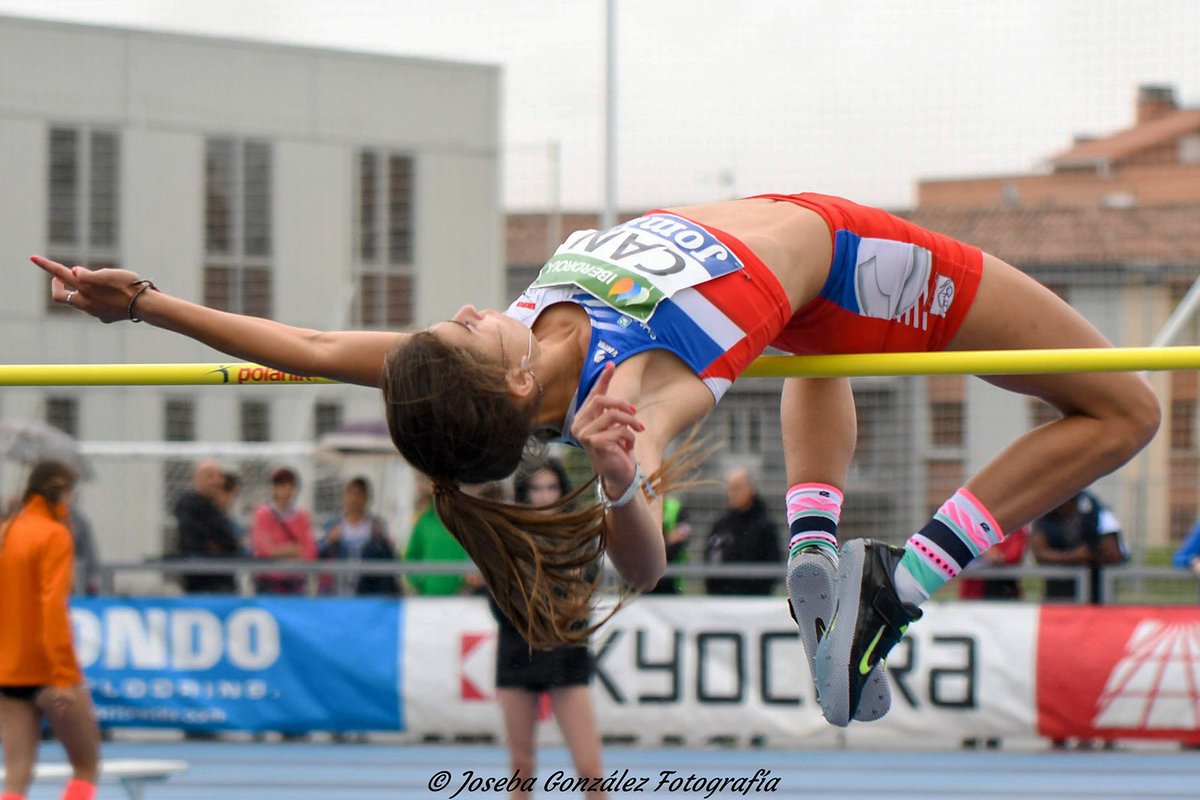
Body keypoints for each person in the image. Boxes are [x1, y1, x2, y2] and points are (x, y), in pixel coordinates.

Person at [35, 190, 1161, 726]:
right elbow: (646, 565)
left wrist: (145, 304)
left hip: (810, 294)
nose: (476, 306)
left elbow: (315, 344)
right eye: (473, 326)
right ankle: (902, 580)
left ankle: (818, 547)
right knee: (1123, 410)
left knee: (823, 356)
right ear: (513, 383)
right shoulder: (633, 393)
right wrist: (622, 479)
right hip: (856, 254)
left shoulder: (502, 358)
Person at [490, 458, 607, 800]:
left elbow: (581, 600)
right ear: (524, 495)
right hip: (518, 652)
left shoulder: (578, 537)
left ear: (563, 490)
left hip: (566, 654)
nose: (544, 496)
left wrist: (542, 603)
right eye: (536, 489)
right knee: (521, 769)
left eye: (551, 487)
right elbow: (499, 604)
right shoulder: (507, 538)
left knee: (590, 770)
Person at [0, 460, 100, 800]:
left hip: (8, 671)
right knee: (86, 765)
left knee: (16, 777)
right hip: (47, 671)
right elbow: (52, 607)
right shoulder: (55, 535)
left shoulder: (6, 530)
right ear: (60, 495)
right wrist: (63, 676)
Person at [1031, 490, 1126, 604]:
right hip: (1056, 596)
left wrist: (1093, 555)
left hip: (1094, 595)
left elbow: (1114, 555)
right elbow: (1040, 554)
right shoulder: (1044, 515)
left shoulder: (1098, 512)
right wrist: (1074, 556)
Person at [703, 468, 781, 595]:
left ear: (751, 489)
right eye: (729, 488)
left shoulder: (765, 525)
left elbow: (773, 563)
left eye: (736, 488)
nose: (731, 493)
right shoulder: (721, 524)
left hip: (755, 600)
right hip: (722, 599)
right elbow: (709, 558)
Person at [318, 476, 401, 596]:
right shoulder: (332, 525)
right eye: (350, 493)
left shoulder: (377, 526)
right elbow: (316, 554)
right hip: (337, 594)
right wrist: (329, 541)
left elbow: (391, 558)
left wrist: (383, 541)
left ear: (366, 497)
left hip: (368, 593)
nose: (354, 499)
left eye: (358, 494)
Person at [174, 458, 242, 593]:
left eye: (219, 476)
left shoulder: (216, 511)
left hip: (223, 583)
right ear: (197, 479)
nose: (216, 481)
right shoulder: (188, 504)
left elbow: (230, 542)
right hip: (200, 584)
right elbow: (193, 542)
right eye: (210, 476)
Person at [250, 466, 317, 595]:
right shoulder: (262, 514)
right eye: (278, 483)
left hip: (295, 582)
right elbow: (265, 550)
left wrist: (279, 551)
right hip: (268, 582)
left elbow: (310, 552)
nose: (283, 488)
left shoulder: (302, 516)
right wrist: (293, 549)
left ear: (294, 487)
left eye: (287, 483)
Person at [405, 476, 473, 596]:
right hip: (428, 598)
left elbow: (475, 554)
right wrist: (417, 583)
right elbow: (410, 556)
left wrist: (467, 584)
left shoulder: (464, 522)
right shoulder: (423, 522)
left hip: (461, 599)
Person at [957, 524, 1029, 600]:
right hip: (973, 590)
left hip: (1003, 588)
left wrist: (987, 549)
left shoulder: (1016, 531)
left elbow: (1012, 555)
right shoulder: (973, 527)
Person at [647, 494, 691, 594]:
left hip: (671, 580)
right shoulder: (640, 506)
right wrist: (667, 539)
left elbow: (681, 538)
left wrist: (655, 544)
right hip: (641, 581)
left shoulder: (675, 508)